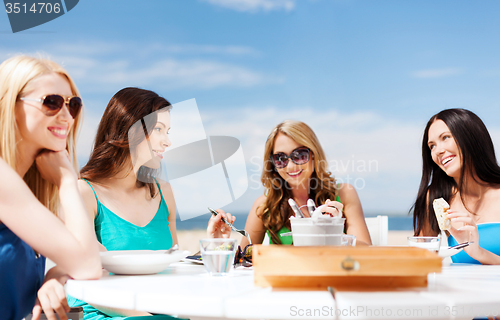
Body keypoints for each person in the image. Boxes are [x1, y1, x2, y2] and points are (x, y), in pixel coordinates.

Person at [67, 87, 233, 319]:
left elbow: (173, 266)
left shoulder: (163, 192)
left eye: (168, 131)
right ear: (129, 128)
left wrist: (212, 245)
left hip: (162, 311)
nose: (167, 141)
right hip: (113, 313)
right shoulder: (85, 192)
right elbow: (89, 288)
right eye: (158, 129)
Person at [0, 55, 102, 320]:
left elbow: (89, 253)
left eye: (73, 105)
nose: (67, 116)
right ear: (10, 106)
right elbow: (89, 265)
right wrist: (68, 180)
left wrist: (56, 275)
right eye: (52, 102)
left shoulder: (30, 189)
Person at [240, 120, 371, 247]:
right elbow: (241, 258)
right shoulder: (264, 206)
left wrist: (334, 236)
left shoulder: (344, 193)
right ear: (273, 164)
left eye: (299, 155)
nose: (290, 166)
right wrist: (220, 237)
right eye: (280, 158)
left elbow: (368, 250)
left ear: (314, 155)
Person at [413, 108, 500, 264]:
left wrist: (480, 253)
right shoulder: (436, 197)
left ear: (472, 137)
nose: (438, 151)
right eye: (432, 146)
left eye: (445, 137)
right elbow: (421, 260)